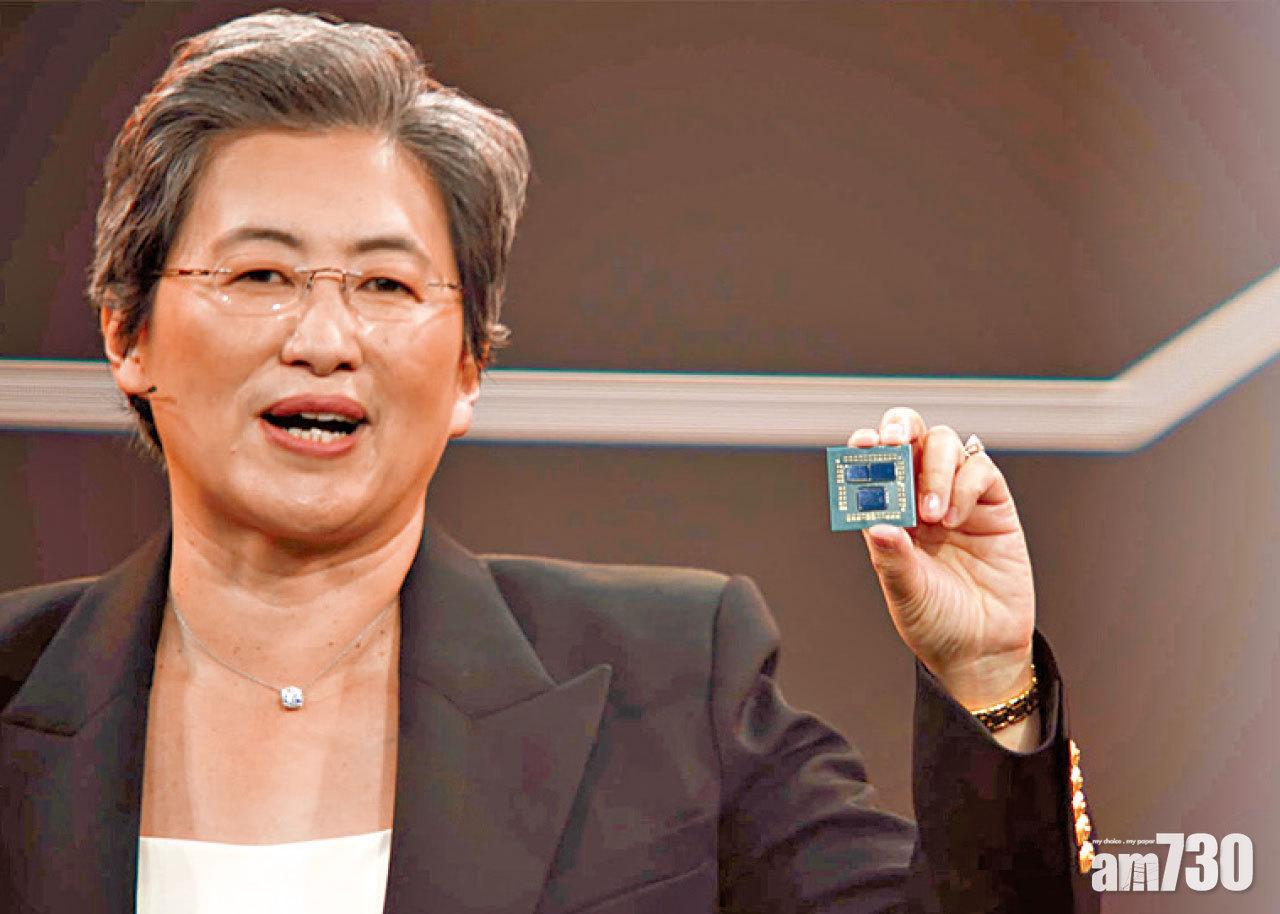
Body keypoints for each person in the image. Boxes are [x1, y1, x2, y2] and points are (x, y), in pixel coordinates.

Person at [0, 10, 1097, 913]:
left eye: (385, 285)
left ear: (468, 366)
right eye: (259, 276)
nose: (324, 339)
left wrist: (986, 679)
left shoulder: (671, 682)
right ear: (127, 333)